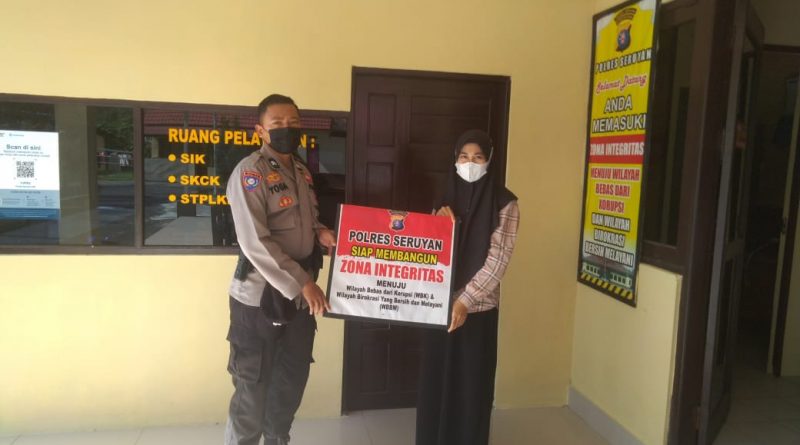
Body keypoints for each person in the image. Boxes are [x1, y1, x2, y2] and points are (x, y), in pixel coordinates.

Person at [224, 94, 336, 445]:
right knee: (252, 389)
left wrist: (320, 231)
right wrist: (303, 283)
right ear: (260, 130)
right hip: (259, 297)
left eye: (293, 123)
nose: (287, 130)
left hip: (300, 298)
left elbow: (303, 219)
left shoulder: (300, 170)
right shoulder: (250, 173)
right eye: (277, 125)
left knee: (290, 381)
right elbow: (254, 241)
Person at [416, 129, 520, 445]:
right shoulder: (443, 199)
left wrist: (465, 300)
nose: (469, 163)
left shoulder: (505, 203)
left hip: (477, 310)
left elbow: (498, 261)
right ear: (455, 160)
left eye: (478, 157)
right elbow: (427, 253)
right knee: (436, 383)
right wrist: (438, 224)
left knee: (470, 387)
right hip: (438, 306)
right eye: (464, 157)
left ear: (489, 161)